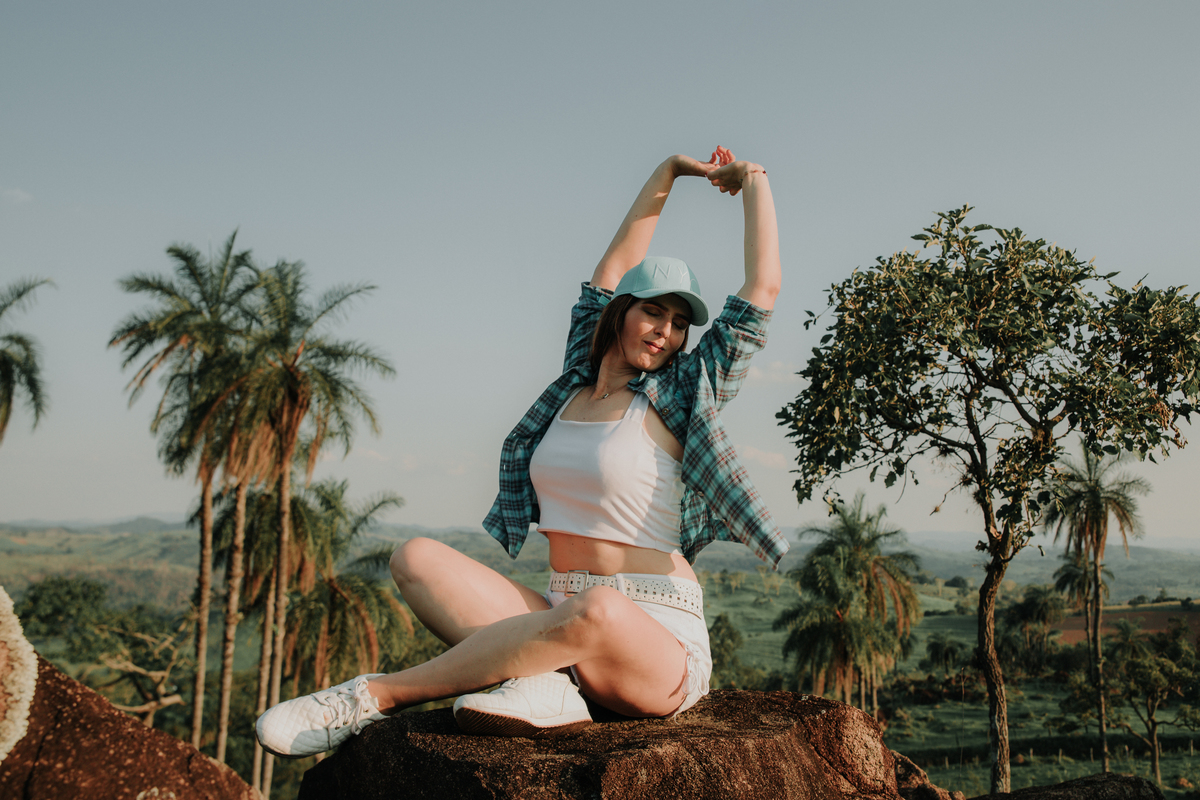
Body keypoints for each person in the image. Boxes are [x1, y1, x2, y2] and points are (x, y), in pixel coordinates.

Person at [255, 146, 788, 759]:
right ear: (619, 314)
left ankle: (373, 697)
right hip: (561, 603)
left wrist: (752, 180)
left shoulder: (683, 392)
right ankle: (549, 684)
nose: (664, 330)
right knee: (416, 557)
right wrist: (670, 170)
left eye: (676, 322)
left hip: (653, 640)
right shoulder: (572, 382)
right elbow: (613, 265)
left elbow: (761, 289)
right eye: (651, 311)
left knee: (600, 611)